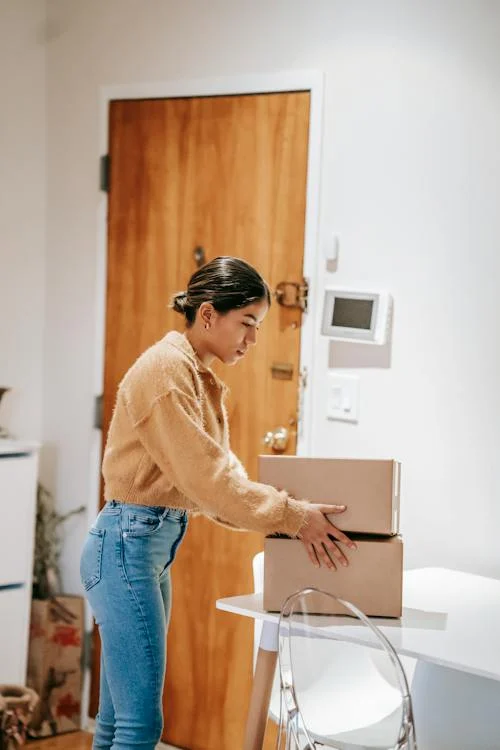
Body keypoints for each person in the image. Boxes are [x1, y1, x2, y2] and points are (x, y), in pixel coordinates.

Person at [80, 256, 356, 750]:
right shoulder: (167, 374)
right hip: (126, 547)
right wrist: (294, 516)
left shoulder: (192, 374)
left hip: (143, 546)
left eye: (258, 327)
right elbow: (211, 483)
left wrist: (289, 513)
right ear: (208, 314)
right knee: (139, 725)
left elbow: (213, 488)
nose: (251, 340)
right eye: (246, 324)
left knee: (117, 718)